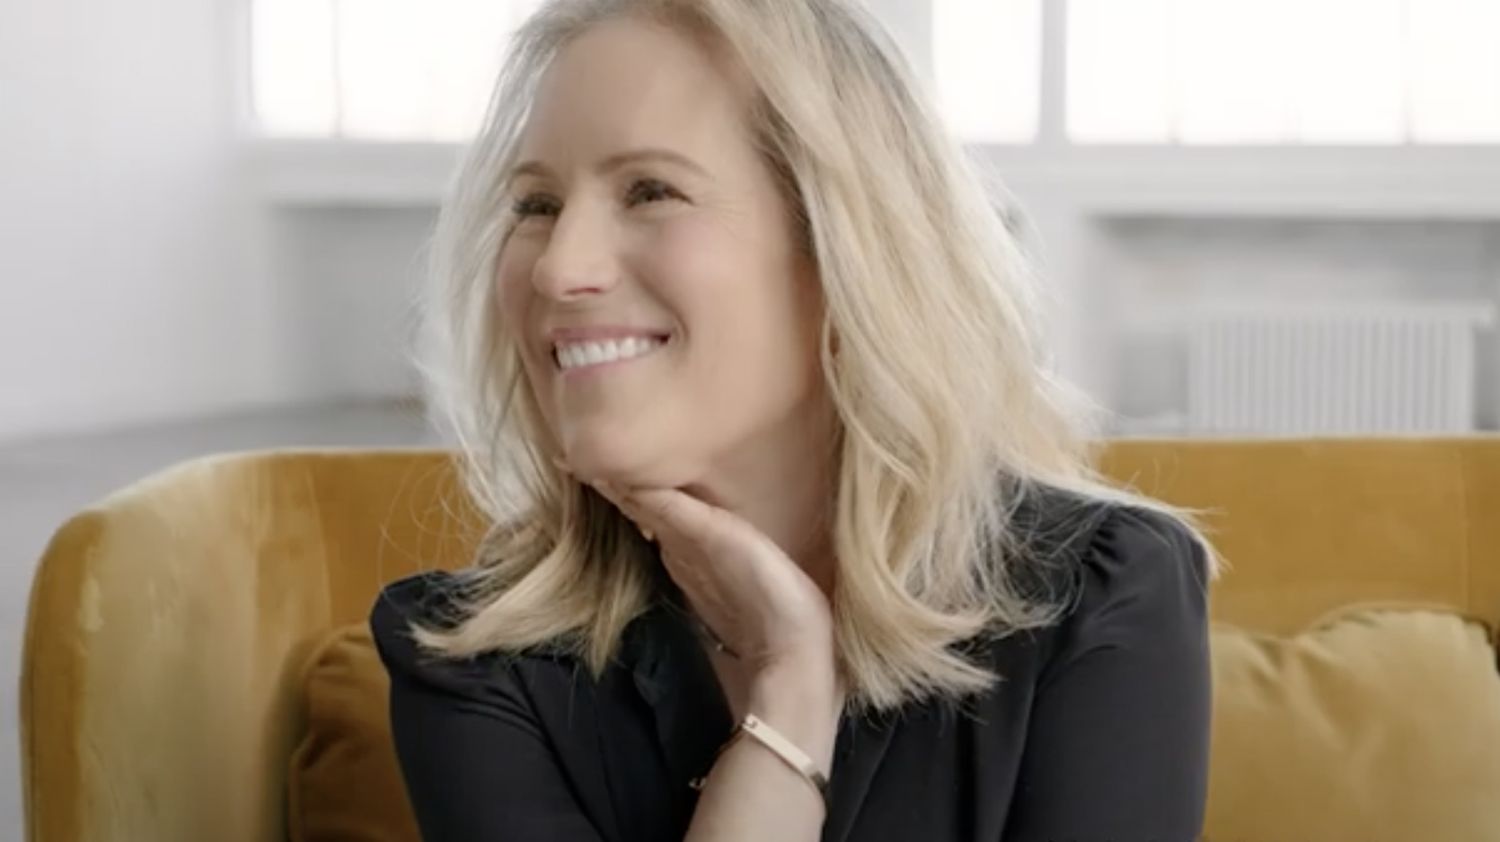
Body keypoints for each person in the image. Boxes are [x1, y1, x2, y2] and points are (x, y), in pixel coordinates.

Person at [369, 1, 1220, 840]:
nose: (559, 268)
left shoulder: (1100, 597)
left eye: (651, 190)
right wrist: (788, 701)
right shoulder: (471, 660)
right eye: (535, 205)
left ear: (844, 248)